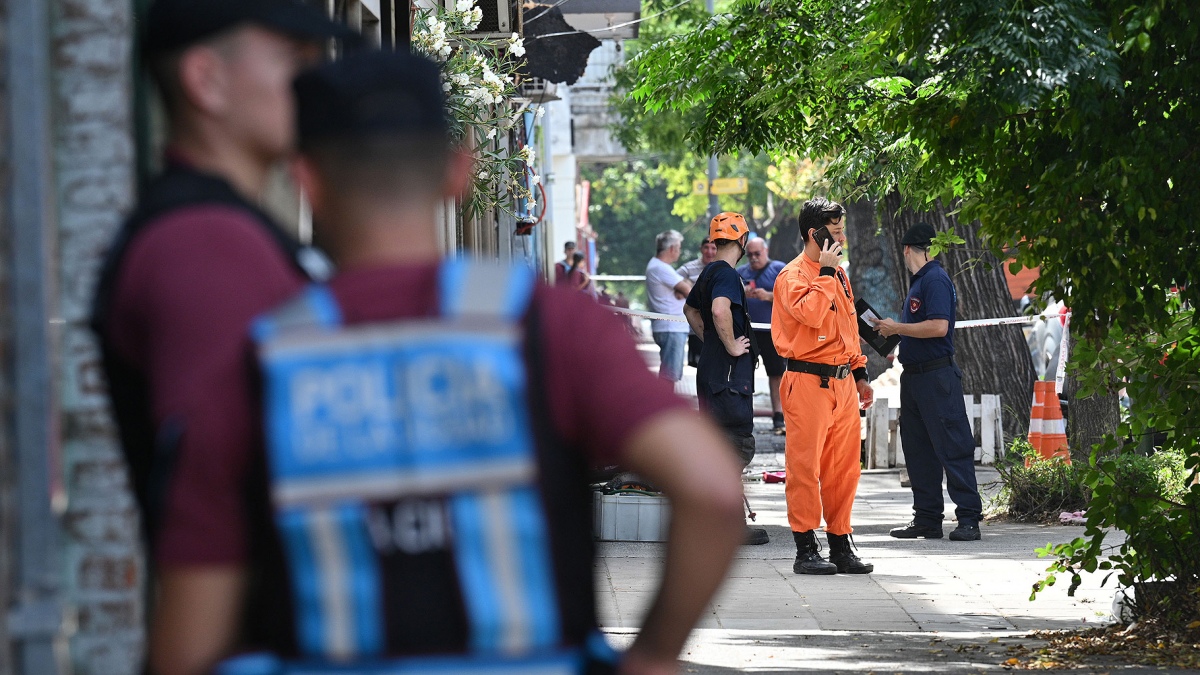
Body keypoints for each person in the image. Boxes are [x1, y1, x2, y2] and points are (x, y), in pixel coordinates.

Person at [145, 49, 745, 675]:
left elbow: (186, 649)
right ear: (457, 174)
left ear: (306, 181)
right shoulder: (552, 328)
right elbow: (709, 489)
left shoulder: (252, 364)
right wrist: (651, 655)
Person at [89, 0, 352, 613]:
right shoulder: (205, 243)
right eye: (293, 60)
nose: (314, 82)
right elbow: (215, 495)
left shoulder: (232, 228)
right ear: (206, 80)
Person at [772, 197, 875, 575]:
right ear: (813, 234)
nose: (842, 238)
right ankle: (805, 547)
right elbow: (813, 315)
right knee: (805, 467)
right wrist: (827, 275)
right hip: (806, 380)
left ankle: (840, 544)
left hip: (844, 384)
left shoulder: (840, 275)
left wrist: (861, 375)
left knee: (844, 470)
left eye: (841, 229)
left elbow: (848, 328)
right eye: (834, 231)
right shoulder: (793, 276)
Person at [873, 222, 983, 542]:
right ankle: (927, 518)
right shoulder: (920, 281)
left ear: (908, 249)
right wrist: (893, 334)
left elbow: (937, 327)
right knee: (918, 449)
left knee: (952, 446)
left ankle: (968, 519)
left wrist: (897, 329)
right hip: (916, 376)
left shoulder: (934, 279)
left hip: (937, 376)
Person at [684, 213, 769, 546]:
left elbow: (691, 311)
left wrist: (712, 341)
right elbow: (720, 310)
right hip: (729, 380)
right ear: (743, 241)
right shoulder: (727, 275)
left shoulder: (708, 272)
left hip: (713, 374)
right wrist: (731, 344)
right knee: (734, 445)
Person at [737, 237, 788, 434]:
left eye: (757, 254)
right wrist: (743, 293)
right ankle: (743, 415)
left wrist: (768, 296)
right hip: (748, 331)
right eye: (749, 255)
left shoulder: (778, 269)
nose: (753, 258)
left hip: (771, 330)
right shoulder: (741, 272)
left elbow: (791, 298)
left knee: (776, 373)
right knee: (744, 374)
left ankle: (779, 415)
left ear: (765, 251)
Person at [645, 230, 693, 382]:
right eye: (679, 248)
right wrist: (686, 286)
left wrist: (685, 286)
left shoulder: (659, 267)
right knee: (669, 377)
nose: (679, 252)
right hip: (670, 327)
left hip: (670, 327)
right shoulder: (661, 268)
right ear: (672, 248)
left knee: (670, 374)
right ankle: (663, 406)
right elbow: (688, 291)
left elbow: (684, 288)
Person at [678, 238, 718, 367]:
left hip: (718, 326)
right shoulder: (688, 268)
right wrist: (685, 285)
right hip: (696, 327)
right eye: (706, 247)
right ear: (701, 249)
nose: (709, 251)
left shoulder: (723, 269)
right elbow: (671, 285)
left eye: (713, 248)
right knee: (700, 367)